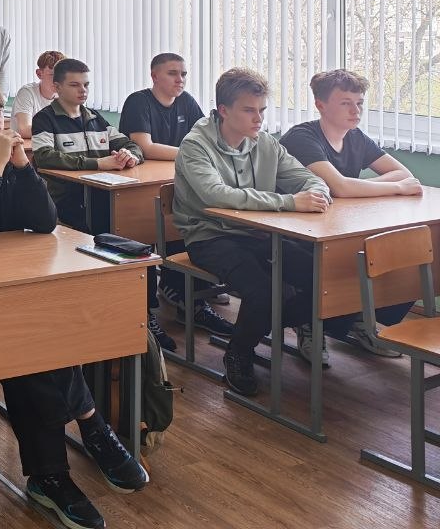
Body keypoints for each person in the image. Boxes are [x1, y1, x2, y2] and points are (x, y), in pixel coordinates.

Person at [0, 81, 148, 529]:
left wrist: (22, 165)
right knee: (30, 352)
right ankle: (87, 431)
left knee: (43, 344)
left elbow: (44, 222)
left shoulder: (10, 157)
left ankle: (54, 472)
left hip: (9, 284)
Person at [173, 68, 332, 395]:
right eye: (249, 110)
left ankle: (256, 324)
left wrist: (318, 193)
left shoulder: (265, 143)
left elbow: (308, 178)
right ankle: (239, 352)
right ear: (224, 110)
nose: (258, 118)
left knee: (323, 278)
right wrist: (289, 202)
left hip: (259, 235)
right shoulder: (195, 145)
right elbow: (215, 194)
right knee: (264, 291)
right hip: (210, 237)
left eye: (262, 110)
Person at [280, 68, 421, 359]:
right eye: (346, 103)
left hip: (340, 227)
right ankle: (307, 322)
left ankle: (358, 321)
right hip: (296, 234)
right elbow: (341, 187)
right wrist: (393, 188)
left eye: (359, 103)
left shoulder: (356, 137)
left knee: (409, 259)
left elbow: (404, 173)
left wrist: (360, 187)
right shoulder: (301, 137)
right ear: (320, 105)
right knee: (342, 268)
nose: (355, 111)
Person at [118, 53, 231, 350]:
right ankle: (157, 302)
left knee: (186, 227)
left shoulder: (187, 102)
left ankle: (186, 294)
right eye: (172, 73)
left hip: (178, 179)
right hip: (141, 184)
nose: (180, 79)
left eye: (183, 74)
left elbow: (206, 139)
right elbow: (144, 146)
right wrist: (192, 155)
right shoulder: (138, 102)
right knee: (146, 234)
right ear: (154, 76)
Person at [31, 59, 143, 231]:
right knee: (108, 221)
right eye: (74, 85)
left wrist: (130, 156)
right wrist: (97, 163)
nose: (83, 90)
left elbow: (129, 144)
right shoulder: (45, 119)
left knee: (134, 212)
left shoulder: (95, 118)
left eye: (86, 85)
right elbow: (44, 156)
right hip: (67, 199)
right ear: (57, 87)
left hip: (103, 193)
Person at [12, 51, 64, 139]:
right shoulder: (27, 92)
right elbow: (24, 130)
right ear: (39, 74)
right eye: (52, 75)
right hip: (23, 145)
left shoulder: (65, 96)